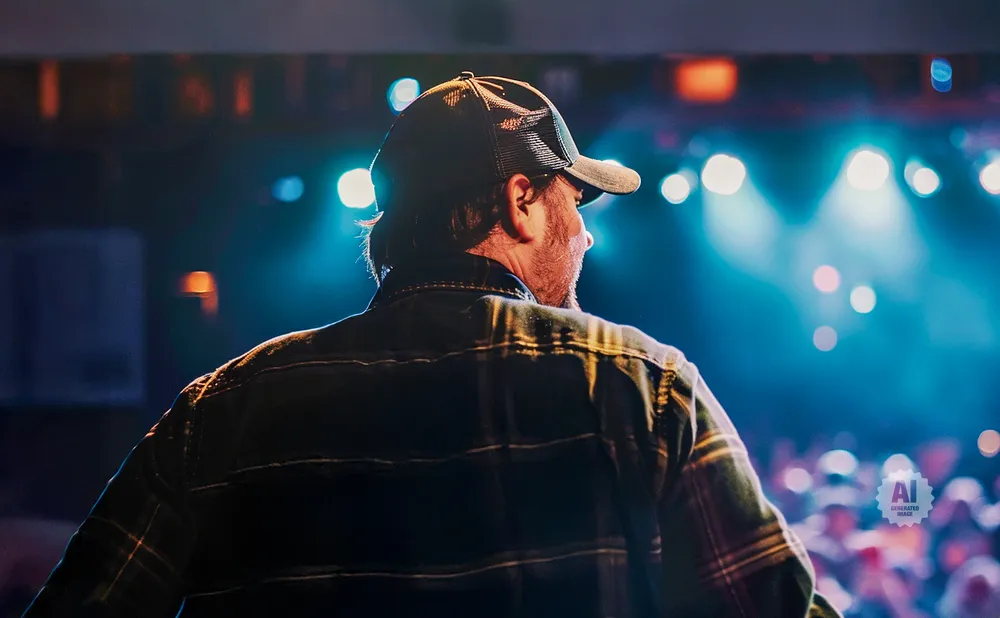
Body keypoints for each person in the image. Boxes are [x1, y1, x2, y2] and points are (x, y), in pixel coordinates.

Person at [23, 72, 839, 617]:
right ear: (521, 199)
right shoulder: (641, 386)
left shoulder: (226, 408)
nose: (585, 233)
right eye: (573, 200)